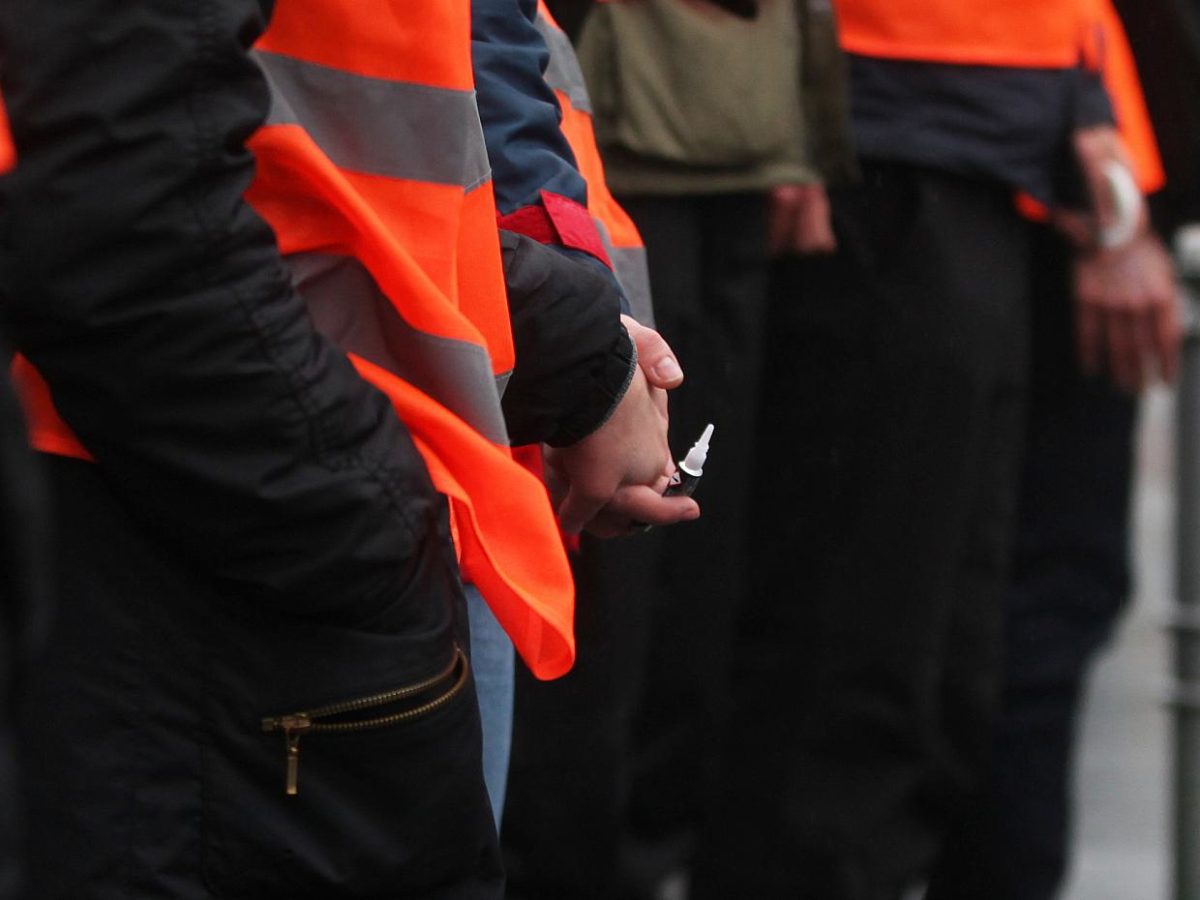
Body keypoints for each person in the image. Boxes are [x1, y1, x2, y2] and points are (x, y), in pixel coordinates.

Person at [0, 0, 690, 896]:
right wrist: (368, 509)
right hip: (222, 477)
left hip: (348, 458)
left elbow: (473, 60)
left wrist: (574, 339)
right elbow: (122, 183)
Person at [692, 0, 1180, 896]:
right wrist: (777, 98)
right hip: (892, 137)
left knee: (980, 650)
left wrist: (1102, 157)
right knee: (854, 657)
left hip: (1022, 137)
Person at [502, 2, 855, 896]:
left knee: (681, 641)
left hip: (700, 147)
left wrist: (794, 122)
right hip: (602, 171)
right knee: (591, 676)